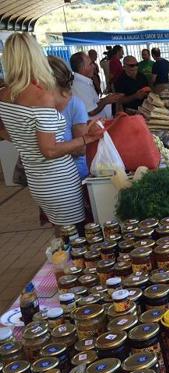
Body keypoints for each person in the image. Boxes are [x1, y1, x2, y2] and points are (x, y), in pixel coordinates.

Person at [0, 33, 103, 232]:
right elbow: (50, 150)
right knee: (78, 235)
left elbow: (5, 132)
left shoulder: (4, 95)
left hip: (37, 180)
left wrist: (26, 143)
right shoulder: (40, 97)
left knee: (62, 233)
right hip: (60, 181)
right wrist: (85, 138)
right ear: (36, 56)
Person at [48, 56, 90, 180]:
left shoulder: (74, 104)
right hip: (43, 179)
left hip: (73, 176)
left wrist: (49, 148)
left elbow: (81, 149)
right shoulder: (36, 106)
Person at [70, 51, 122, 119]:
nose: (94, 66)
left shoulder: (84, 82)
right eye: (90, 64)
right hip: (93, 127)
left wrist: (107, 99)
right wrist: (106, 100)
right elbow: (91, 111)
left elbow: (93, 103)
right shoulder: (79, 85)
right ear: (82, 68)